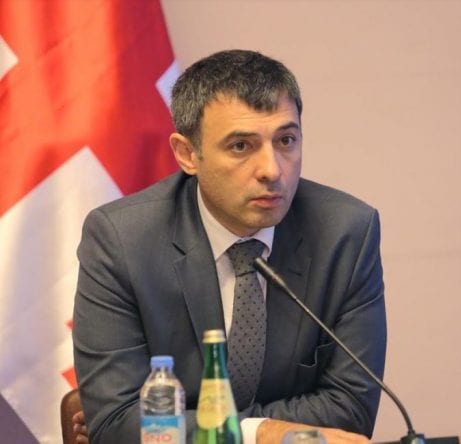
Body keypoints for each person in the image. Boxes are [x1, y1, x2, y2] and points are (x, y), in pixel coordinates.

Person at [72, 49, 387, 444]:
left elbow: (351, 411)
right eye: (241, 146)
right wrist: (261, 432)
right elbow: (116, 421)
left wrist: (200, 426)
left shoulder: (345, 233)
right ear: (188, 154)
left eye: (286, 140)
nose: (271, 169)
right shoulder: (122, 239)